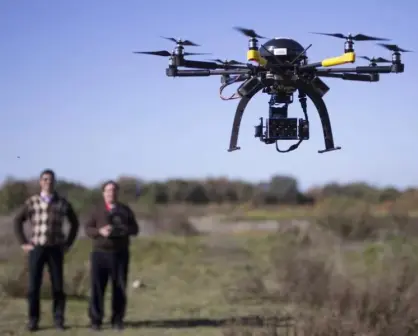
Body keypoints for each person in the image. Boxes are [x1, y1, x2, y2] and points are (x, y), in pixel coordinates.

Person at [13, 169, 80, 332]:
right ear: (40, 182)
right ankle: (33, 320)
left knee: (58, 286)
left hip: (56, 249)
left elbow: (75, 223)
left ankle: (58, 320)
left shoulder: (62, 202)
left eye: (50, 180)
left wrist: (68, 243)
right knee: (33, 287)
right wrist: (24, 243)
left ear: (54, 182)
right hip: (37, 248)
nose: (48, 182)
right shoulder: (32, 202)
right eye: (45, 179)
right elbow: (17, 221)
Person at [84, 180, 139, 331]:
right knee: (97, 288)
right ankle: (96, 321)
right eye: (108, 190)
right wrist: (99, 232)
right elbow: (88, 228)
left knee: (119, 288)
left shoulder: (124, 210)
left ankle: (117, 320)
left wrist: (121, 229)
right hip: (99, 254)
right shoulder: (96, 210)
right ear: (103, 193)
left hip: (119, 254)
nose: (111, 193)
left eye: (114, 190)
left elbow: (135, 229)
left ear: (117, 193)